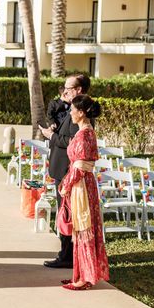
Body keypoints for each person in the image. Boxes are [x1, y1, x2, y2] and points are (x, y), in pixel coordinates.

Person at [39, 73, 91, 269]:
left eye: (68, 88)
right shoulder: (71, 110)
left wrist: (52, 136)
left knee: (66, 214)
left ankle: (67, 256)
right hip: (62, 170)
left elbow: (73, 142)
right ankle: (67, 253)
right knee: (65, 213)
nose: (65, 91)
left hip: (69, 173)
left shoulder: (83, 114)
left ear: (78, 90)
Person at [58, 94, 109, 290]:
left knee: (84, 228)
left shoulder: (86, 134)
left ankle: (85, 278)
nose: (70, 112)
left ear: (81, 113)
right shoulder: (83, 133)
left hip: (81, 187)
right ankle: (79, 274)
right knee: (79, 230)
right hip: (80, 184)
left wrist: (66, 185)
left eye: (73, 110)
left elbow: (80, 167)